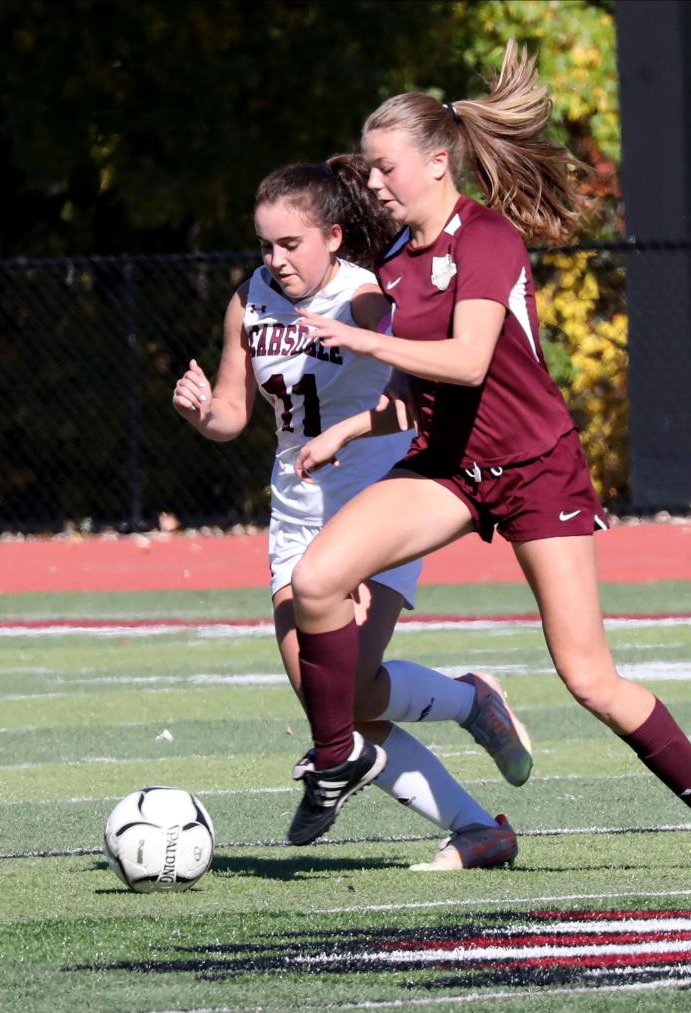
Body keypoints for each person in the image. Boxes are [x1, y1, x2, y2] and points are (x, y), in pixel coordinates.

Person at [288, 41, 691, 868]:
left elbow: (470, 361)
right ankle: (339, 756)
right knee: (316, 581)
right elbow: (413, 393)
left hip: (536, 467)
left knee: (588, 676)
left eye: (383, 167)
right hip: (448, 467)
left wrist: (353, 331)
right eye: (366, 169)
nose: (371, 183)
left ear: (438, 164)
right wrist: (346, 430)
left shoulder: (487, 238)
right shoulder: (397, 264)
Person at [172, 156, 531, 870]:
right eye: (265, 245)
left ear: (334, 236)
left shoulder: (366, 297)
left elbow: (411, 394)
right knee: (330, 700)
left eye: (289, 244)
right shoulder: (249, 301)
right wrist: (203, 411)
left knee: (352, 694)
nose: (274, 260)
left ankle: (468, 708)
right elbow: (236, 414)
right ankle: (477, 816)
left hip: (378, 503)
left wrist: (353, 432)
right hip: (297, 514)